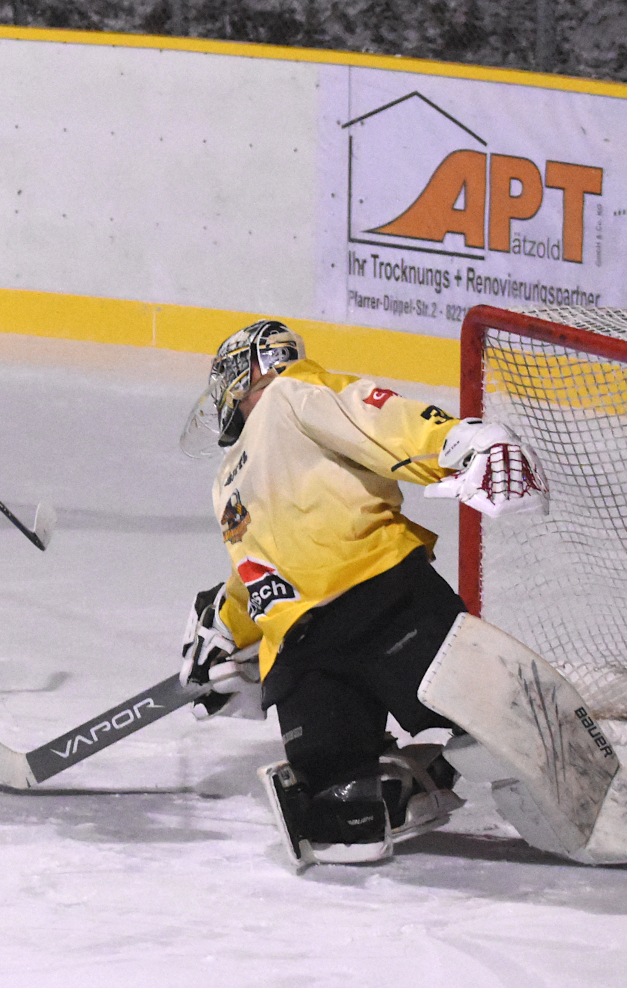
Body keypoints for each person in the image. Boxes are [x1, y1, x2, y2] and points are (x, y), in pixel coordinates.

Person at [177, 319, 552, 864]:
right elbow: (258, 564)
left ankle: (459, 765)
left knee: (492, 730)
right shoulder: (227, 480)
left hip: (383, 600)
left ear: (247, 371)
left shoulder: (294, 395)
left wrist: (458, 442)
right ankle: (408, 780)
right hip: (305, 653)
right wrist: (227, 628)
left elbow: (379, 417)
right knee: (337, 823)